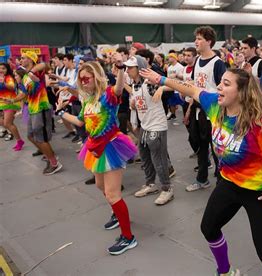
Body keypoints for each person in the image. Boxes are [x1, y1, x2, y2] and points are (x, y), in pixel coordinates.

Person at [140, 66, 262, 276]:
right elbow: (193, 90)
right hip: (228, 183)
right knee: (209, 228)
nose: (219, 87)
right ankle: (225, 272)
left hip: (259, 194)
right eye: (220, 82)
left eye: (226, 84)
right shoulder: (216, 105)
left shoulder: (261, 124)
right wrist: (161, 79)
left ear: (242, 92)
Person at [59, 55, 138, 255]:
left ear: (97, 77)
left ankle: (128, 237)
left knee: (113, 193)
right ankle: (116, 211)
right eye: (81, 79)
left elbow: (119, 89)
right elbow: (79, 122)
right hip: (94, 148)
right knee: (100, 186)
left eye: (88, 78)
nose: (84, 82)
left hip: (111, 146)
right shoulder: (87, 101)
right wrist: (59, 112)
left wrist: (120, 68)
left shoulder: (108, 96)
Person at [126, 55, 175, 205]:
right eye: (127, 67)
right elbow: (138, 102)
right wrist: (133, 105)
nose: (127, 70)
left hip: (157, 126)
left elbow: (173, 85)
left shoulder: (149, 83)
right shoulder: (135, 85)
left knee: (158, 159)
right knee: (145, 157)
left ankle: (167, 189)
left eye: (130, 68)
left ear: (139, 69)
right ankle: (150, 184)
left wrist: (161, 87)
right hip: (145, 126)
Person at [187, 26, 226, 192]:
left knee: (217, 150)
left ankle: (222, 182)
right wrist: (190, 108)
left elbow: (223, 89)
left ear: (209, 42)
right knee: (201, 147)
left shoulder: (218, 64)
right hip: (198, 112)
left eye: (200, 38)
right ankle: (202, 179)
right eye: (196, 38)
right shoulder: (197, 61)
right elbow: (195, 86)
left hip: (214, 113)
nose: (196, 41)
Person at [11, 51, 63, 175]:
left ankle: (54, 163)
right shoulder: (24, 76)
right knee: (30, 136)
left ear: (30, 59)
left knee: (40, 137)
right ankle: (48, 154)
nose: (20, 60)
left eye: (23, 58)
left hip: (41, 108)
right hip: (32, 109)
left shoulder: (37, 70)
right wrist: (12, 100)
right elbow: (24, 93)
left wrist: (31, 72)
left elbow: (44, 64)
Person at [0, 62, 24, 150]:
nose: (1, 70)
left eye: (3, 68)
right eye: (0, 68)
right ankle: (18, 139)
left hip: (10, 103)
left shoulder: (8, 78)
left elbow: (13, 87)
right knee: (6, 123)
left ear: (7, 69)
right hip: (3, 104)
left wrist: (3, 83)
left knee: (7, 123)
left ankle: (19, 141)